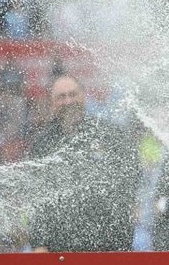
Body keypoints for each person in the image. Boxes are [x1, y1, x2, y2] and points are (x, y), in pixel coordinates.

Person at [27, 74, 143, 252]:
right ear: (52, 102)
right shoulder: (42, 145)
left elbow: (132, 179)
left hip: (110, 244)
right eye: (61, 97)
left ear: (84, 95)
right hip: (61, 248)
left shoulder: (111, 134)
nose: (68, 101)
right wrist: (39, 244)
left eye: (73, 94)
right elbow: (38, 199)